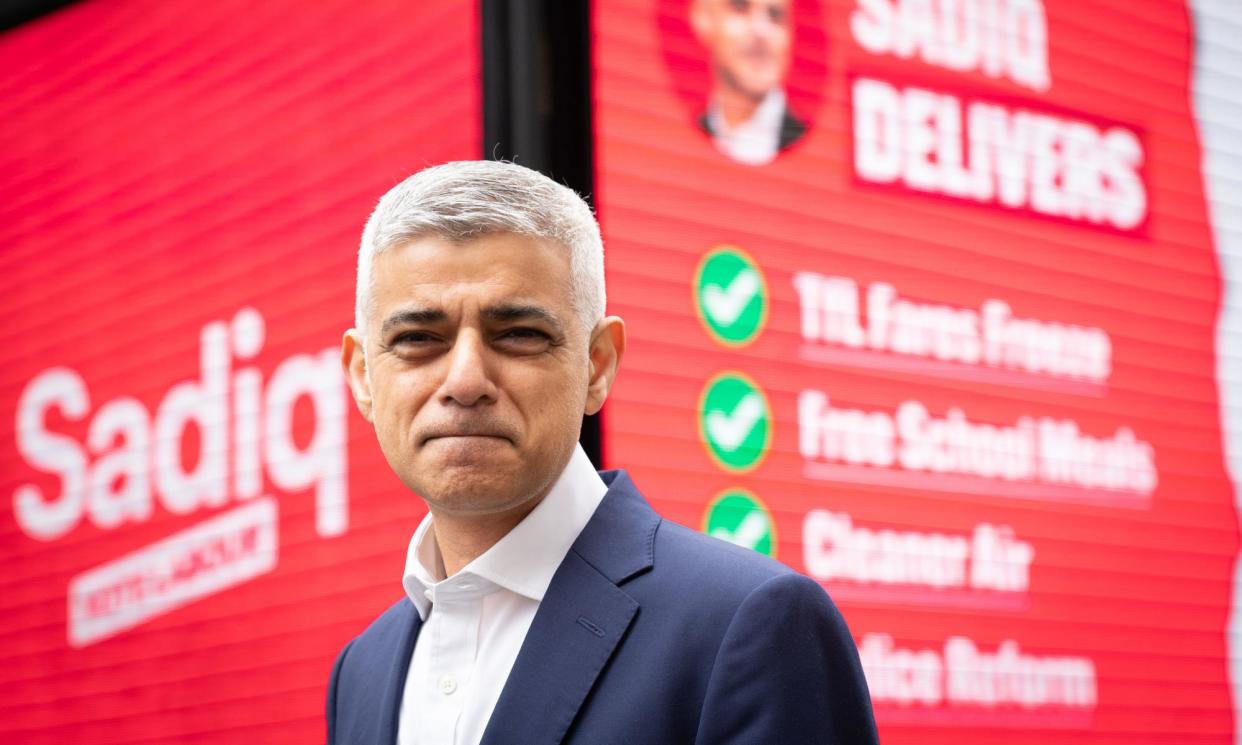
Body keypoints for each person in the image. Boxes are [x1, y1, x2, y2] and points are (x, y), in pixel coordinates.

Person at [326, 160, 876, 744]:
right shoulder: (362, 670)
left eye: (518, 334)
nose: (465, 380)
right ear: (363, 375)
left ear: (597, 365)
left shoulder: (752, 624)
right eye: (417, 339)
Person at [691, 0, 808, 165]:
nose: (761, 30)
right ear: (705, 19)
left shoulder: (803, 142)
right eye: (740, 7)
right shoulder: (687, 134)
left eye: (775, 15)